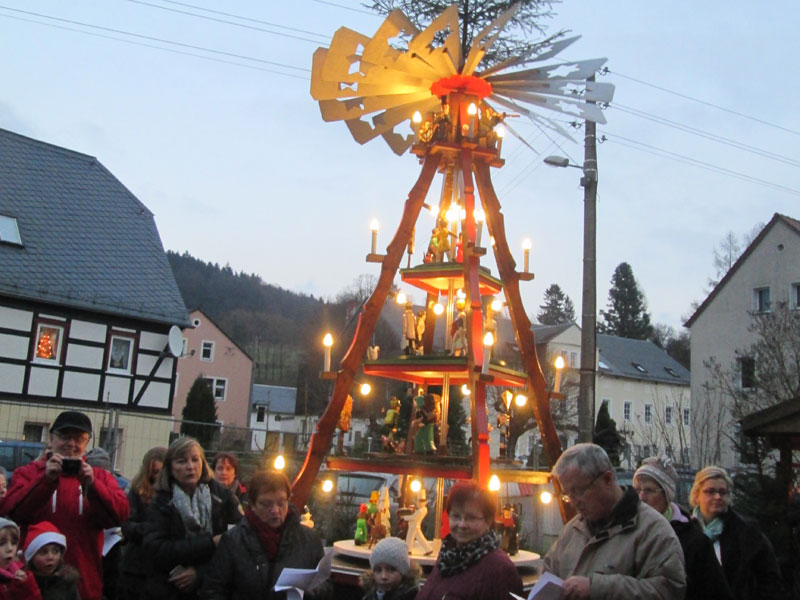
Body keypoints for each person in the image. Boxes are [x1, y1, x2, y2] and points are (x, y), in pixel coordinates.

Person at [0, 411, 129, 600]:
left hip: (84, 582)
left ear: (87, 443)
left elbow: (119, 517)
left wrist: (93, 487)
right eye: (65, 437)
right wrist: (46, 480)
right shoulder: (28, 473)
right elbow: (13, 511)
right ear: (52, 439)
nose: (71, 444)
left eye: (79, 439)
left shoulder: (100, 477)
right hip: (32, 584)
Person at [543, 443, 685, 599]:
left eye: (578, 491)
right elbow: (549, 575)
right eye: (567, 494)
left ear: (607, 479)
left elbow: (668, 591)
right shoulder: (572, 531)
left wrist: (597, 588)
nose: (572, 502)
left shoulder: (654, 531)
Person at [199, 470, 330, 600]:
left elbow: (325, 585)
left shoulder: (309, 541)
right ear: (252, 504)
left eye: (281, 503)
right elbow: (212, 590)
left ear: (289, 500)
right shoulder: (233, 541)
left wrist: (313, 591)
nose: (275, 510)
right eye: (266, 504)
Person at [143, 437, 241, 599]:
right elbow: (156, 549)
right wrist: (209, 543)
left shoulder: (223, 499)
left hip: (213, 589)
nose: (190, 467)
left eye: (195, 460)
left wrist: (200, 573)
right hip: (168, 589)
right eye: (182, 461)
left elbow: (238, 545)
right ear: (170, 468)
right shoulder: (161, 503)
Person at [634, 456, 732, 600]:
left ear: (666, 495)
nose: (641, 497)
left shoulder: (692, 539)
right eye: (637, 490)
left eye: (649, 490)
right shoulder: (624, 530)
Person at [690, 466, 790, 600]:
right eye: (710, 491)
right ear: (697, 495)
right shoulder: (687, 530)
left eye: (723, 492)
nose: (718, 497)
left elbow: (769, 577)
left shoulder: (746, 530)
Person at [416, 480, 522, 600]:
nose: (462, 524)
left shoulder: (499, 570)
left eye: (471, 518)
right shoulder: (447, 558)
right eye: (456, 516)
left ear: (488, 521)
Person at [120, 446, 166, 600]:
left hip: (162, 567)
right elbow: (127, 525)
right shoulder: (137, 490)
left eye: (161, 472)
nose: (158, 477)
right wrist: (150, 530)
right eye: (154, 472)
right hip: (137, 567)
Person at [23, 520, 80, 600]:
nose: (50, 557)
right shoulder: (23, 584)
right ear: (31, 557)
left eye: (55, 551)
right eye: (43, 552)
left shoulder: (67, 582)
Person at [0, 517, 42, 599]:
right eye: (1, 543)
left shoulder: (23, 574)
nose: (10, 548)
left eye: (13, 543)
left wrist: (25, 586)